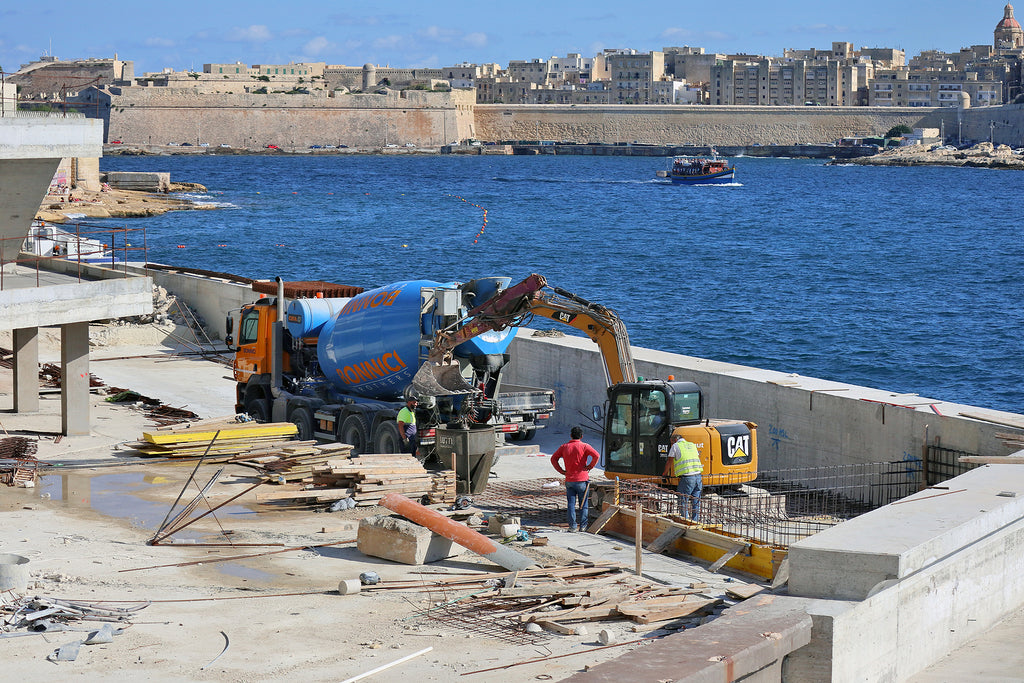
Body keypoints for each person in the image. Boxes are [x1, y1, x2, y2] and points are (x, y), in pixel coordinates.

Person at [550, 426, 600, 532]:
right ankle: (583, 526)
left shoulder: (564, 447)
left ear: (571, 436)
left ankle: (572, 526)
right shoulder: (584, 446)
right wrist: (589, 467)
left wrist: (562, 471)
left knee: (571, 504)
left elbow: (553, 458)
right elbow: (596, 455)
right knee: (583, 504)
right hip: (582, 480)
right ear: (581, 436)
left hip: (569, 480)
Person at [664, 432, 703, 521]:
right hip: (698, 477)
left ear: (675, 440)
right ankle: (695, 521)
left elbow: (669, 461)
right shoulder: (692, 445)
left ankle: (685, 520)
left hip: (687, 478)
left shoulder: (676, 446)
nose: (671, 445)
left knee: (683, 500)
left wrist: (664, 474)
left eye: (671, 443)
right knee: (696, 500)